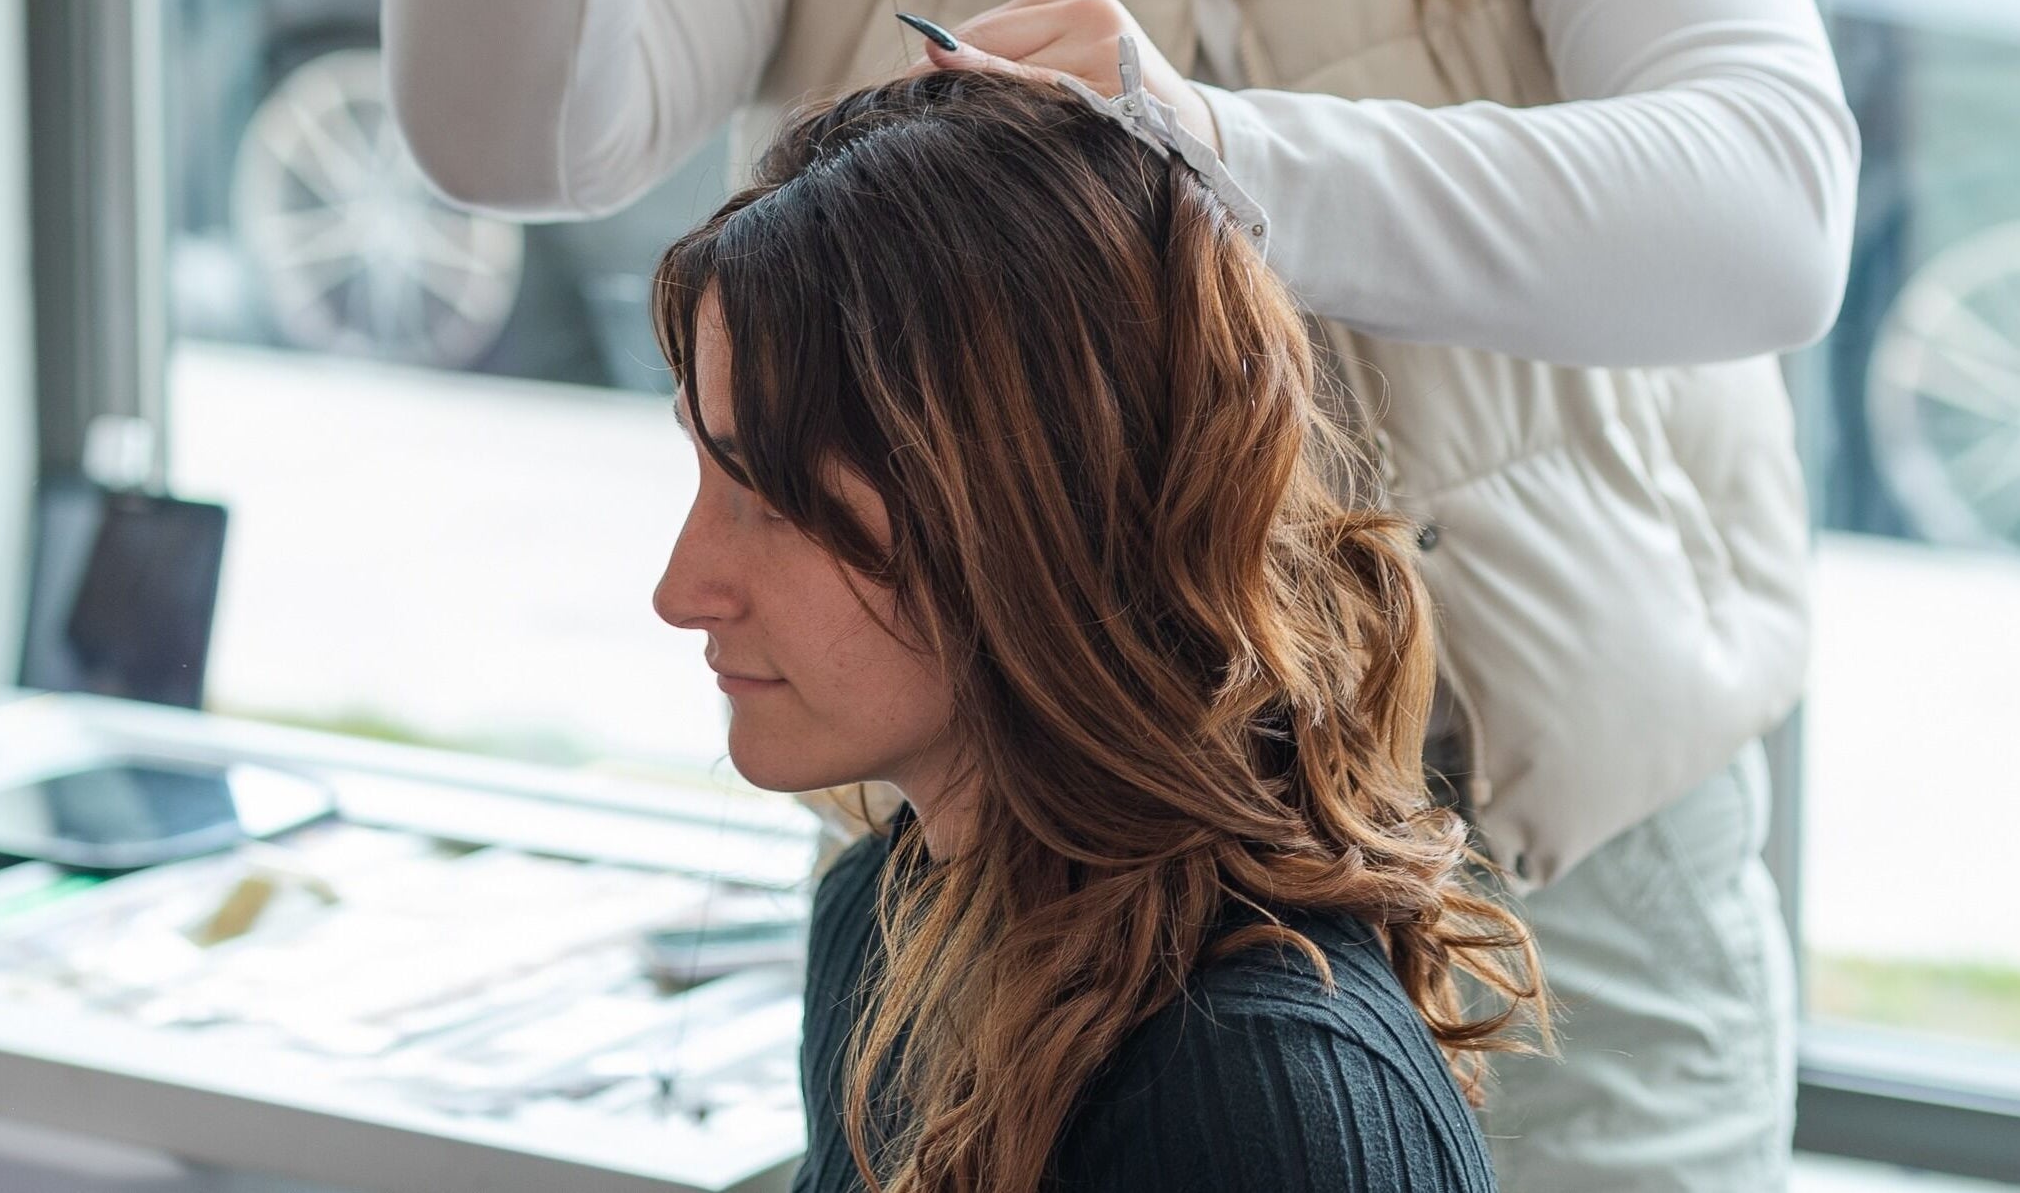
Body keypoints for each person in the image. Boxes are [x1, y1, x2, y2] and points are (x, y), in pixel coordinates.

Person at [384, 0, 1860, 1185]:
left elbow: (1772, 218)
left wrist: (1219, 155)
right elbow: (504, 132)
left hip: (1556, 824)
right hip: (997, 837)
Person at [651, 64, 1544, 1192]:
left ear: (1021, 518)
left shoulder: (1260, 1101)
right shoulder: (885, 927)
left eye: (770, 501)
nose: (683, 590)